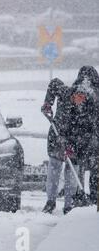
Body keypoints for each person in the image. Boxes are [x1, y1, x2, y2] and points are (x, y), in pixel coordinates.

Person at [41, 77, 96, 214]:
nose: (81, 100)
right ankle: (50, 201)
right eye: (80, 96)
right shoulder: (65, 92)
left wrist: (72, 146)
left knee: (71, 172)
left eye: (84, 97)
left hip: (75, 144)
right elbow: (54, 82)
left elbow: (85, 131)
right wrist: (48, 103)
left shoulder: (87, 108)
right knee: (54, 169)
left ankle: (69, 204)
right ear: (74, 94)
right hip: (56, 137)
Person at [71, 66, 99, 205]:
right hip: (93, 136)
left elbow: (77, 112)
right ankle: (94, 195)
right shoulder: (95, 90)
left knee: (80, 167)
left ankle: (80, 194)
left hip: (82, 136)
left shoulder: (79, 89)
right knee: (95, 168)